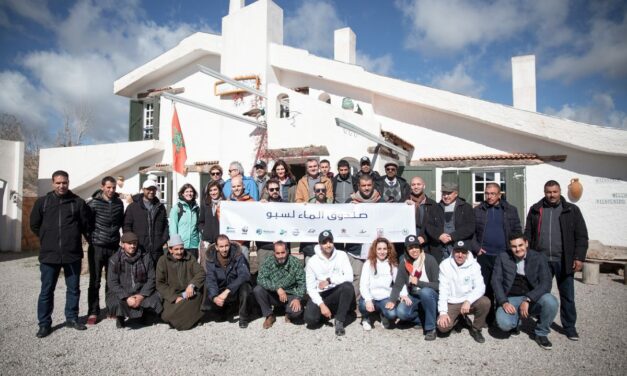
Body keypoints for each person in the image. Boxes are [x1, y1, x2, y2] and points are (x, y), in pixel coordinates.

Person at [524, 180, 588, 341]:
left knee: (567, 295)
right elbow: (528, 233)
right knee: (541, 294)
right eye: (548, 192)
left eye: (554, 192)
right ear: (544, 192)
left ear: (560, 192)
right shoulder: (536, 209)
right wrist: (529, 254)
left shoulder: (571, 210)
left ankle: (569, 327)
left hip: (564, 259)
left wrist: (579, 257)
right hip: (542, 260)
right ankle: (542, 321)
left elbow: (581, 236)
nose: (551, 195)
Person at [30, 170, 91, 338]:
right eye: (58, 183)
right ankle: (44, 324)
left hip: (72, 254)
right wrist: (47, 238)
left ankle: (71, 318)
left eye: (64, 182)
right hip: (49, 255)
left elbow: (86, 226)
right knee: (46, 290)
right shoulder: (42, 202)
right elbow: (34, 225)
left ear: (68, 182)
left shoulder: (77, 203)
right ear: (52, 183)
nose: (61, 186)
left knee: (73, 289)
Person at [492, 233, 559, 350]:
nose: (518, 249)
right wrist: (503, 302)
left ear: (526, 243)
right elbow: (496, 281)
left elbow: (546, 283)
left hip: (533, 297)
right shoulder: (503, 257)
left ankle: (541, 333)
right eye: (514, 246)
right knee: (504, 324)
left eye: (520, 245)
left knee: (551, 301)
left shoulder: (539, 257)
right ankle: (516, 323)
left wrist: (528, 299)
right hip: (511, 298)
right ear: (509, 246)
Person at [474, 183, 521, 324]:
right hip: (485, 255)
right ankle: (489, 318)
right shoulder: (478, 210)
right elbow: (472, 233)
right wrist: (477, 248)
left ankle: (506, 315)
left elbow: (517, 230)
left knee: (504, 285)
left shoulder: (510, 210)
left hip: (504, 254)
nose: (489, 196)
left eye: (493, 193)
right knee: (487, 287)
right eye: (487, 193)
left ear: (499, 195)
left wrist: (515, 250)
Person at [86, 176, 124, 325]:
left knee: (112, 280)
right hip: (97, 247)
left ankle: (111, 309)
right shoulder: (93, 203)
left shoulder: (118, 203)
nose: (111, 190)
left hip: (113, 246)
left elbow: (121, 222)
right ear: (102, 187)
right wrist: (92, 239)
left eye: (113, 187)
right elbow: (86, 224)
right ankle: (93, 311)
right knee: (94, 281)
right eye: (108, 187)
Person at [436, 240, 490, 343]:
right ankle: (459, 319)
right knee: (442, 328)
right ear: (453, 252)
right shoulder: (445, 265)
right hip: (452, 301)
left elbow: (481, 287)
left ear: (468, 253)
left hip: (468, 302)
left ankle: (476, 328)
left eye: (463, 252)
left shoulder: (474, 265)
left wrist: (469, 300)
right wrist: (442, 312)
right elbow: (443, 290)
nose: (460, 255)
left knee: (485, 302)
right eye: (457, 252)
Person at [106, 232, 163, 329]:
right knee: (113, 300)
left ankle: (145, 314)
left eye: (134, 243)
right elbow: (112, 282)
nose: (132, 246)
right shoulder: (114, 259)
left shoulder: (146, 257)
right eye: (129, 243)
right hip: (124, 294)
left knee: (156, 297)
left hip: (141, 292)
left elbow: (152, 278)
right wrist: (126, 297)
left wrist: (141, 295)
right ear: (122, 244)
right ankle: (120, 316)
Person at [304, 231, 355, 336]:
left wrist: (329, 280)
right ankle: (328, 312)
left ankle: (339, 320)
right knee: (310, 320)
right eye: (324, 242)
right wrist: (322, 305)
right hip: (321, 295)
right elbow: (310, 288)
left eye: (330, 241)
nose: (328, 245)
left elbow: (349, 277)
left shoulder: (342, 255)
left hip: (336, 292)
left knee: (348, 286)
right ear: (319, 244)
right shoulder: (312, 261)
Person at [391, 235, 440, 341]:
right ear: (406, 250)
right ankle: (422, 320)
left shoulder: (429, 260)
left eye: (416, 247)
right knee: (401, 312)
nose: (414, 250)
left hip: (431, 295)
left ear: (420, 247)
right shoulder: (404, 263)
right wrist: (392, 300)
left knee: (425, 292)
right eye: (410, 248)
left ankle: (431, 328)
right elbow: (398, 284)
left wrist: (419, 283)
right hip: (414, 295)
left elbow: (438, 285)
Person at [156, 234, 206, 331]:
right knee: (166, 314)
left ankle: (180, 320)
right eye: (176, 249)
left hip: (189, 293)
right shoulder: (162, 261)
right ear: (170, 250)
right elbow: (160, 283)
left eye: (181, 249)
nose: (179, 252)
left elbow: (201, 272)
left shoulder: (190, 257)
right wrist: (174, 298)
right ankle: (191, 317)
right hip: (172, 294)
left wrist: (192, 285)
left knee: (198, 297)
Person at [202, 234, 253, 328]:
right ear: (216, 247)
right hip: (221, 289)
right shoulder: (210, 259)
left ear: (229, 245)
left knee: (245, 287)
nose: (224, 249)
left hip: (235, 289)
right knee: (207, 284)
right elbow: (211, 279)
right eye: (221, 246)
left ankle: (243, 317)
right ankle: (219, 310)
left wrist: (228, 290)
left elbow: (244, 275)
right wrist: (214, 297)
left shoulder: (238, 255)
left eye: (226, 246)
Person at [344, 174, 382, 299]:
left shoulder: (381, 201)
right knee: (357, 278)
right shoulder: (350, 202)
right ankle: (353, 306)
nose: (366, 188)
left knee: (375, 278)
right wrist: (350, 209)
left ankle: (372, 306)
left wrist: (408, 205)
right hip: (356, 250)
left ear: (373, 185)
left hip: (375, 248)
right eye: (363, 185)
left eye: (369, 185)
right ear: (359, 186)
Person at [253, 241, 306, 328]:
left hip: (290, 294)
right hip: (274, 294)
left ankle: (288, 314)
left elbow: (302, 282)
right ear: (274, 253)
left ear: (287, 251)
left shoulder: (295, 263)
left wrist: (298, 298)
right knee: (258, 290)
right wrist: (277, 288)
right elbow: (260, 279)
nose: (281, 255)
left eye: (283, 252)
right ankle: (269, 315)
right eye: (278, 253)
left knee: (297, 312)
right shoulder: (268, 261)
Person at [423, 182, 475, 263]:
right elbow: (429, 226)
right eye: (444, 193)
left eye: (449, 193)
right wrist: (439, 235)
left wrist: (452, 236)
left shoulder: (466, 208)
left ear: (456, 193)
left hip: (459, 249)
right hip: (439, 250)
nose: (446, 196)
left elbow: (470, 227)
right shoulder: (435, 208)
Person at [123, 179, 169, 263]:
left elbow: (165, 225)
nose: (151, 191)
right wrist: (132, 243)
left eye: (153, 189)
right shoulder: (132, 207)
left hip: (157, 251)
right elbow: (126, 226)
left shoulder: (160, 207)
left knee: (156, 275)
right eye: (148, 189)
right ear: (143, 189)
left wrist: (162, 240)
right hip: (139, 250)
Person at [358, 237, 398, 331]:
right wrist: (368, 300)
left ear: (388, 250)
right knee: (363, 305)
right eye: (379, 249)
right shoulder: (368, 263)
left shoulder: (392, 264)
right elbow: (363, 284)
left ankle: (383, 315)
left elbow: (398, 283)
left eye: (384, 249)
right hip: (371, 297)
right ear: (375, 250)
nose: (382, 252)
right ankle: (366, 318)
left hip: (385, 297)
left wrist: (401, 296)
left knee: (392, 314)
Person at [257, 179, 287, 267]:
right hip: (264, 247)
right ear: (267, 190)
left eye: (277, 189)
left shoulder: (287, 205)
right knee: (264, 273)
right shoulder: (260, 205)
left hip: (282, 248)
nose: (275, 191)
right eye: (271, 189)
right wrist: (259, 207)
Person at [299, 182, 333, 262]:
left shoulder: (333, 207)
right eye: (318, 190)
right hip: (310, 249)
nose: (320, 192)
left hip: (328, 250)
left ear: (326, 191)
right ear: (314, 192)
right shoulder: (306, 207)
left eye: (323, 190)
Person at [169, 183, 200, 260]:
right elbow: (173, 227)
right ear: (182, 194)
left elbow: (198, 227)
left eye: (191, 191)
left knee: (193, 270)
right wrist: (175, 244)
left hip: (194, 246)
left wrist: (199, 242)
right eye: (186, 191)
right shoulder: (177, 208)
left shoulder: (197, 209)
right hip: (181, 246)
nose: (189, 193)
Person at [227, 176, 253, 260]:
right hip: (229, 242)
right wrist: (219, 208)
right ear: (231, 188)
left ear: (243, 186)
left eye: (238, 186)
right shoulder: (226, 202)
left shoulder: (251, 201)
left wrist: (263, 204)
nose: (236, 188)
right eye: (234, 187)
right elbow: (221, 219)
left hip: (243, 242)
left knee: (244, 267)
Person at [198, 180, 224, 247]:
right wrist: (204, 231)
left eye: (215, 190)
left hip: (221, 241)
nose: (213, 192)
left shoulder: (225, 204)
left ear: (219, 190)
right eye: (210, 190)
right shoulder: (205, 204)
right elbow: (201, 221)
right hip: (207, 241)